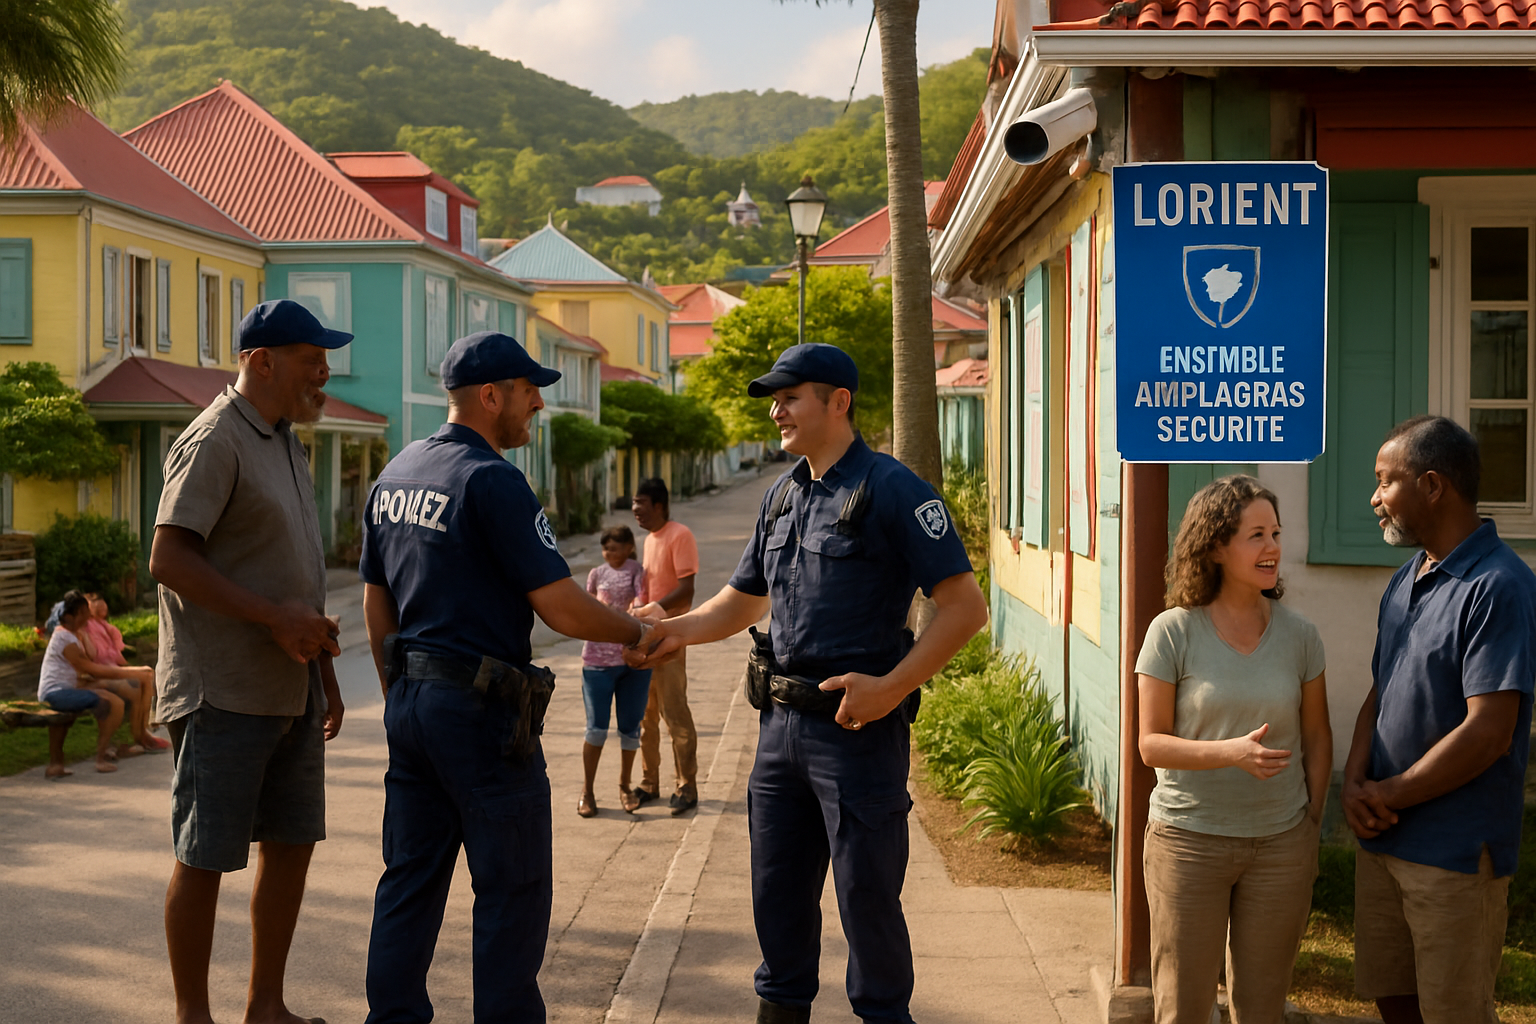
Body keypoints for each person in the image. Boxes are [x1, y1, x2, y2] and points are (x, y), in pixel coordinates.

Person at [630, 343, 988, 1024]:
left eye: (791, 396)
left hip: (856, 734)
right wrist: (671, 629)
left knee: (867, 903)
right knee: (778, 906)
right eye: (775, 397)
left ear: (839, 402)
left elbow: (966, 608)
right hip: (779, 735)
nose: (776, 410)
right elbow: (742, 601)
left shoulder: (893, 490)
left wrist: (890, 687)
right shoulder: (783, 495)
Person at [360, 331, 659, 1024]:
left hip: (411, 702)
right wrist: (638, 632)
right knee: (511, 887)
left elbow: (376, 599)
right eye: (530, 393)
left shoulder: (398, 471)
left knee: (408, 881)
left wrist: (398, 689)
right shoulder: (492, 480)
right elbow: (557, 604)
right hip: (480, 711)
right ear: (492, 396)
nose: (538, 408)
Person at [149, 299, 348, 1024]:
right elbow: (168, 557)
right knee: (205, 854)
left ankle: (266, 1006)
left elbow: (295, 574)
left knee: (292, 843)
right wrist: (273, 619)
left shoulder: (286, 440)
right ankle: (192, 1017)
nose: (323, 372)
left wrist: (323, 672)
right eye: (310, 358)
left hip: (290, 688)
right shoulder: (214, 439)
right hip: (221, 689)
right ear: (261, 361)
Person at [1342, 416, 1536, 1024]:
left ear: (1431, 485)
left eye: (1384, 482)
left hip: (1453, 854)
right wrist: (1352, 785)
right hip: (1384, 840)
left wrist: (1388, 792)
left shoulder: (1499, 586)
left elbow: (1489, 733)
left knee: (1454, 1012)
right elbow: (1382, 689)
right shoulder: (1408, 577)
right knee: (1395, 1002)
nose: (1374, 499)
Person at [1135, 475, 1332, 1024]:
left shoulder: (1301, 636)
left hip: (1280, 847)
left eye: (1276, 533)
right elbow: (1151, 744)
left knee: (1262, 1007)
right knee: (1184, 1006)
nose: (1272, 548)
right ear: (1217, 547)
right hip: (1188, 844)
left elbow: (1316, 735)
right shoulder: (1171, 632)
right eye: (1256, 536)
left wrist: (1310, 821)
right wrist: (1232, 753)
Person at [631, 476, 700, 815]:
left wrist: (657, 609)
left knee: (675, 714)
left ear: (658, 505)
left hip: (671, 636)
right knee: (646, 717)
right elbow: (650, 586)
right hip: (646, 637)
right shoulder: (649, 541)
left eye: (640, 503)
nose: (634, 510)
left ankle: (686, 785)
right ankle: (649, 782)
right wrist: (638, 604)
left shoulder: (680, 535)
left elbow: (686, 590)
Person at [37, 589, 157, 778]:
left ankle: (57, 766)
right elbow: (91, 668)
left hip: (73, 686)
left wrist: (83, 635)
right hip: (57, 692)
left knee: (117, 697)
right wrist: (133, 671)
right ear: (70, 616)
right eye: (84, 614)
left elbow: (91, 656)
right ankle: (101, 758)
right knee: (111, 703)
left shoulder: (75, 634)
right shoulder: (64, 637)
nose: (88, 618)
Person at [577, 525, 651, 817]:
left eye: (616, 547)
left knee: (631, 728)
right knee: (596, 729)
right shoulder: (596, 573)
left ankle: (625, 785)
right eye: (606, 548)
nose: (610, 553)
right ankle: (587, 790)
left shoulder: (637, 571)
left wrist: (631, 615)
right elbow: (586, 606)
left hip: (632, 659)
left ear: (630, 547)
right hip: (597, 660)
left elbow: (641, 601)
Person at [78, 591, 170, 751]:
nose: (103, 607)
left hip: (111, 668)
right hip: (101, 670)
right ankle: (140, 733)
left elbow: (116, 655)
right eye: (96, 604)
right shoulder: (86, 627)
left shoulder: (105, 626)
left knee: (147, 675)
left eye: (103, 603)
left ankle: (143, 730)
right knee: (141, 679)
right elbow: (98, 656)